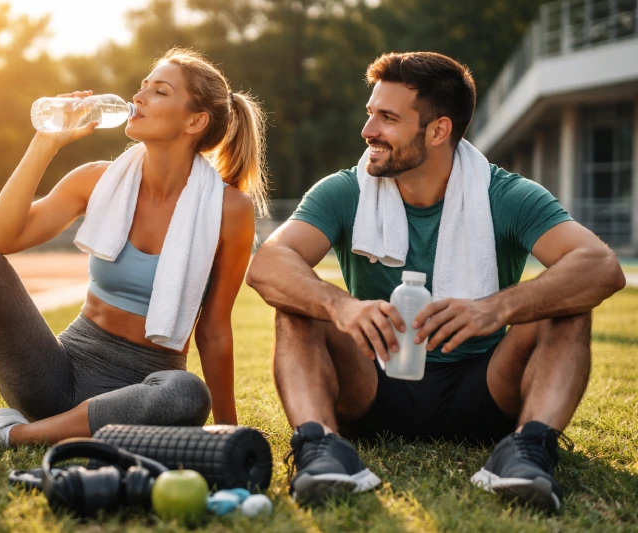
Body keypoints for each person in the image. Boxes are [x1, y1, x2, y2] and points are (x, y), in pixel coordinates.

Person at [0, 48, 266, 470]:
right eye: (142, 87)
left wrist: (229, 435)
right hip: (56, 374)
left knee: (187, 393)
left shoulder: (228, 211)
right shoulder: (97, 180)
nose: (138, 97)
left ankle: (0, 434)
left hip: (141, 389)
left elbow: (213, 331)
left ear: (195, 121)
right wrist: (46, 142)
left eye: (159, 91)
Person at [246, 51, 625, 511]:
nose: (368, 132)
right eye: (371, 114)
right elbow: (268, 265)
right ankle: (319, 449)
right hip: (374, 382)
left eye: (387, 118)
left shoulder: (506, 194)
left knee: (567, 302)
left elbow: (600, 266)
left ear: (439, 130)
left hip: (483, 389)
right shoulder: (345, 189)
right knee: (299, 304)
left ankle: (529, 451)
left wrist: (497, 307)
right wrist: (341, 306)